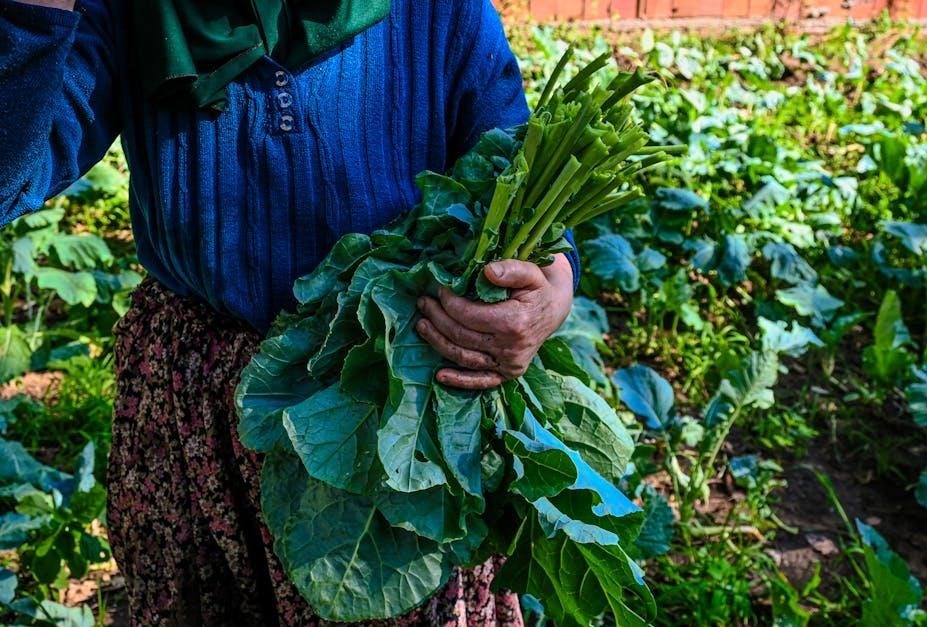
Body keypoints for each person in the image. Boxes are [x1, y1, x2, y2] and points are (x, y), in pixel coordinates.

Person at [0, 1, 579, 624]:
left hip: (391, 399)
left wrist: (550, 294)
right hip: (193, 412)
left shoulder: (441, 12)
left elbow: (514, 177)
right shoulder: (133, 11)